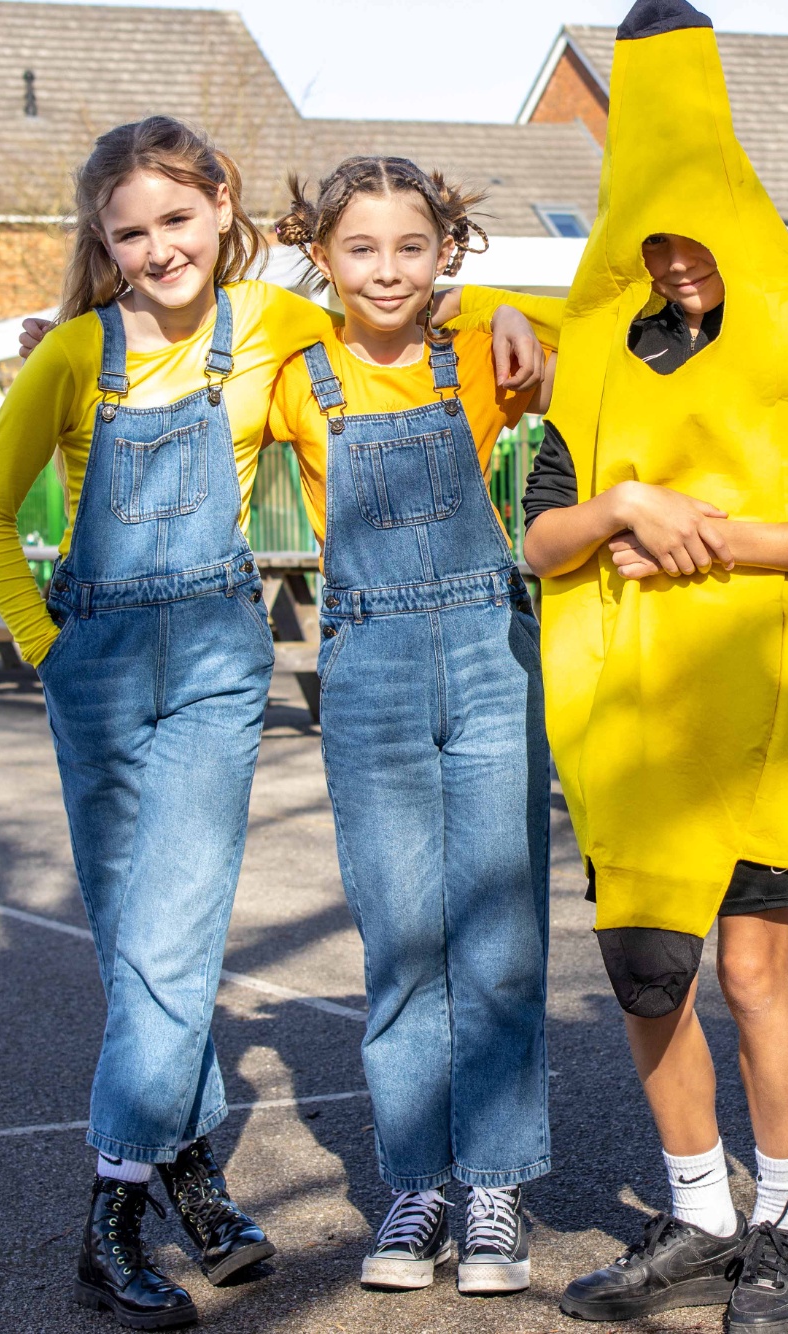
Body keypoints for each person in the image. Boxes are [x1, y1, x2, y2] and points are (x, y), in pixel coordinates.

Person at [524, 5, 788, 1332]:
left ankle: (784, 1222)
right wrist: (626, 505)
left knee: (752, 968)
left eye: (696, 238)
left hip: (762, 713)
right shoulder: (599, 369)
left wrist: (717, 536)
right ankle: (697, 1212)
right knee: (648, 973)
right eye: (654, 240)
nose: (677, 263)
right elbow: (543, 532)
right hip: (634, 721)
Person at [0, 116, 336, 1331]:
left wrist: (495, 314)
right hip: (100, 669)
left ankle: (109, 1213)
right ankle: (191, 1175)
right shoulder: (71, 353)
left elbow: (399, 327)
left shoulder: (277, 327)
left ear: (222, 207)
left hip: (220, 660)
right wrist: (49, 648)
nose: (157, 247)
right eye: (130, 232)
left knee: (171, 935)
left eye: (177, 219)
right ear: (103, 242)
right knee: (145, 945)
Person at [266, 156, 554, 1298]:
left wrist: (514, 305)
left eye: (409, 248)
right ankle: (414, 1180)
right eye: (359, 250)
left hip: (489, 662)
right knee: (400, 941)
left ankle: (494, 1184)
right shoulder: (293, 374)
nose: (387, 272)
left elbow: (600, 326)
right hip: (371, 671)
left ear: (446, 253)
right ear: (322, 257)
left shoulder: (483, 353)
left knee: (496, 940)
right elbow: (227, 317)